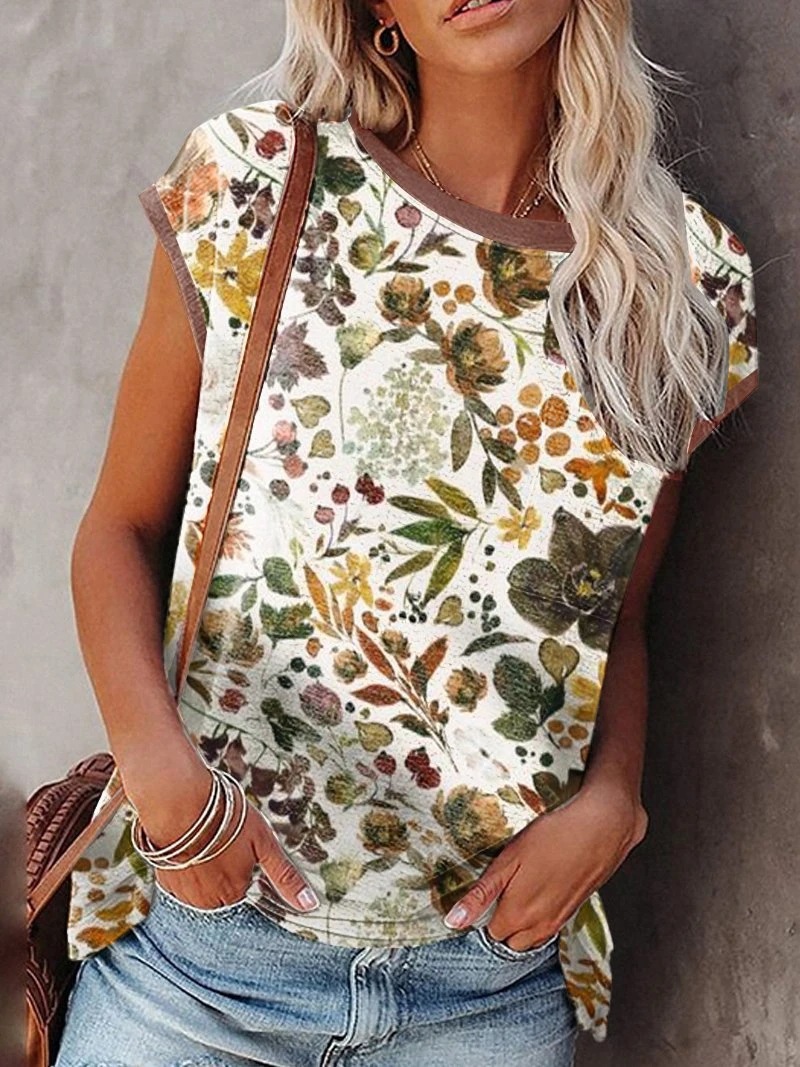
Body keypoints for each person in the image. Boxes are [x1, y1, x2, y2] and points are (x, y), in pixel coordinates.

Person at [55, 0, 759, 1064]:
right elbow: (120, 526)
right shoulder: (254, 180)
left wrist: (615, 797)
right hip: (197, 969)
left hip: (485, 993)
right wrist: (162, 779)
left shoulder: (690, 283)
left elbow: (613, 614)